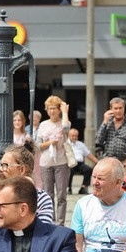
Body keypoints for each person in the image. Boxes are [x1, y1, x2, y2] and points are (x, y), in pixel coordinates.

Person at [0, 141, 54, 225]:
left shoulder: (41, 198)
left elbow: (43, 230)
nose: (1, 169)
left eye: (5, 165)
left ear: (22, 170)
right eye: (0, 165)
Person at [36, 96, 72, 225]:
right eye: (49, 108)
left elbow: (67, 128)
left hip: (61, 162)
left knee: (62, 195)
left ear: (59, 110)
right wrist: (50, 142)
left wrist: (65, 112)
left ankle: (61, 223)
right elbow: (38, 146)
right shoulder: (43, 125)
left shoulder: (63, 122)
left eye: (54, 108)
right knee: (48, 194)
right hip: (45, 163)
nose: (52, 111)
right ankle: (49, 222)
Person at [94, 97, 126, 168]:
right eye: (115, 108)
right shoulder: (107, 122)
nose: (118, 111)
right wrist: (104, 122)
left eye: (120, 108)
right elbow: (98, 141)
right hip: (109, 162)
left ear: (124, 108)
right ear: (111, 109)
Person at [12, 109, 42, 188]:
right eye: (15, 120)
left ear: (23, 121)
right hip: (12, 165)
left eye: (19, 120)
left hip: (24, 165)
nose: (17, 122)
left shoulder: (27, 136)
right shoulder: (9, 136)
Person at [67, 127, 98, 195]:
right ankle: (69, 188)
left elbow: (88, 154)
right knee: (69, 170)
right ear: (69, 136)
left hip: (80, 163)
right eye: (73, 135)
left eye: (76, 136)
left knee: (89, 169)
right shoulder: (66, 144)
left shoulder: (80, 144)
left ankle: (83, 188)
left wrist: (98, 162)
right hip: (69, 163)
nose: (74, 137)